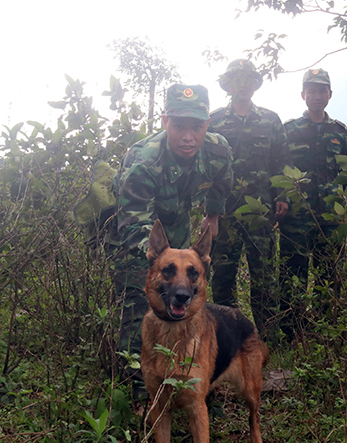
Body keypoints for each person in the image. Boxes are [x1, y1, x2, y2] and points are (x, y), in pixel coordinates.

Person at [113, 84, 233, 399]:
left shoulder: (218, 149)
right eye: (179, 125)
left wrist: (213, 214)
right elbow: (133, 221)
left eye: (197, 126)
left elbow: (223, 180)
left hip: (175, 227)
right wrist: (159, 261)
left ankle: (190, 377)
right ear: (166, 121)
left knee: (185, 299)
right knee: (140, 306)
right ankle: (140, 393)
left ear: (208, 124)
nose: (188, 135)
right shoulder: (144, 161)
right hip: (131, 231)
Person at [208, 59, 294, 337]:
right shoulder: (215, 120)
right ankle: (226, 337)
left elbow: (282, 160)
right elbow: (206, 164)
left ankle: (267, 339)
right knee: (222, 276)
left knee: (264, 276)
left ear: (255, 84)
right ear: (229, 85)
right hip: (224, 212)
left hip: (261, 212)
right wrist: (208, 208)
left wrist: (282, 196)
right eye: (237, 79)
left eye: (247, 79)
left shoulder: (270, 120)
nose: (242, 84)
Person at [279, 68, 347, 338]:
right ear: (303, 94)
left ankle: (326, 329)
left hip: (332, 218)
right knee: (293, 273)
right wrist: (280, 201)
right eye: (312, 91)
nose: (317, 96)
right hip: (296, 216)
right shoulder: (289, 130)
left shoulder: (339, 131)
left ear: (329, 94)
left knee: (330, 272)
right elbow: (278, 167)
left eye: (322, 91)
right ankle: (291, 332)